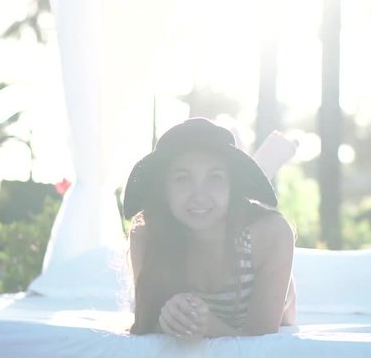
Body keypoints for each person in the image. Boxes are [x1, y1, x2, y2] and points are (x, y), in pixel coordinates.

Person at [123, 117, 296, 338]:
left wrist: (210, 328)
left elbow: (261, 341)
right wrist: (169, 320)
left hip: (260, 294)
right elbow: (145, 325)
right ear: (164, 189)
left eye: (214, 178)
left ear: (232, 187)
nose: (199, 194)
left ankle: (261, 163)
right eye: (182, 179)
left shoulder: (270, 233)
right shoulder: (147, 232)